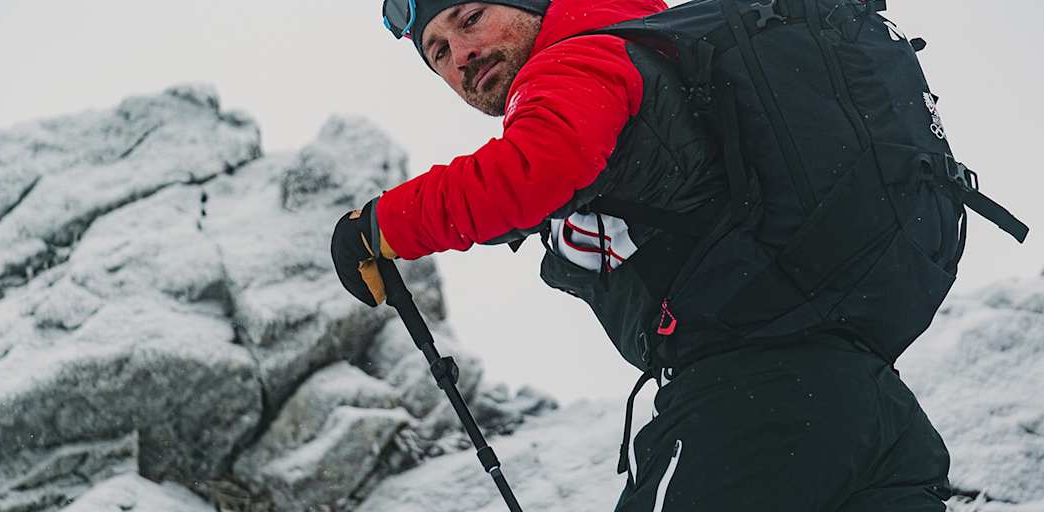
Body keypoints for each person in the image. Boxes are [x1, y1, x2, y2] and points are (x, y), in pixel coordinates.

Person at [329, 0, 954, 510]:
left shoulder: (579, 59)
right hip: (867, 408)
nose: (462, 55)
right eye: (438, 51)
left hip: (750, 416)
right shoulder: (651, 62)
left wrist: (381, 227)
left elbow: (535, 168)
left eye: (470, 19)